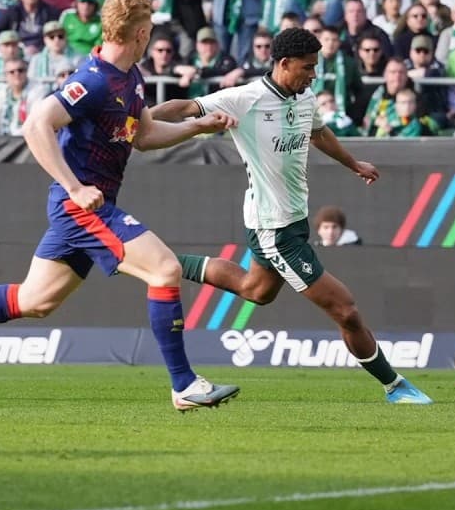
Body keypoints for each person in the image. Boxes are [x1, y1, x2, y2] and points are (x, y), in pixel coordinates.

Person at [0, 0, 240, 411]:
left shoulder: (130, 76)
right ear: (142, 33)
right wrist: (75, 187)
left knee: (34, 301)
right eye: (149, 30)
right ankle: (183, 385)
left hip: (82, 208)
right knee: (164, 269)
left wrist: (197, 127)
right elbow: (36, 124)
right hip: (80, 206)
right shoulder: (93, 80)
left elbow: (144, 134)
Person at [150, 27, 433, 405]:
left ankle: (162, 263)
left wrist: (353, 163)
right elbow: (186, 106)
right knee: (345, 309)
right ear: (284, 64)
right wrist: (139, 122)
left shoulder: (304, 95)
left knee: (257, 290)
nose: (314, 75)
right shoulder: (245, 98)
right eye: (308, 67)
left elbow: (318, 133)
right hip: (274, 227)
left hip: (292, 218)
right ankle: (395, 386)